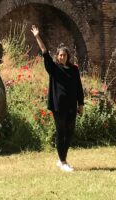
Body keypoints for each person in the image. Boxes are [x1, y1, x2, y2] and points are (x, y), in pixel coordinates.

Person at [31, 25, 84, 172]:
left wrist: (81, 104)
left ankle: (62, 159)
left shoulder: (74, 70)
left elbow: (79, 87)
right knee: (61, 132)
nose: (62, 57)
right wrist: (37, 36)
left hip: (72, 106)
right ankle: (63, 161)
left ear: (67, 56)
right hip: (58, 106)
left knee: (70, 132)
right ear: (57, 56)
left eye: (64, 55)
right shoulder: (53, 68)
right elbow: (44, 52)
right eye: (60, 55)